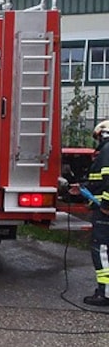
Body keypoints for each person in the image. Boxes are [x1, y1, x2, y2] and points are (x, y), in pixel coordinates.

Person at [81, 120, 109, 307]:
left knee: (102, 250)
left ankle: (105, 293)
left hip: (105, 211)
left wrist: (106, 203)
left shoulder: (107, 150)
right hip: (102, 206)